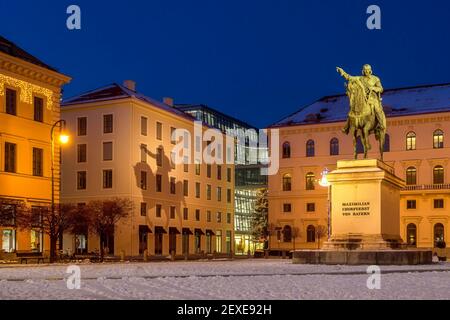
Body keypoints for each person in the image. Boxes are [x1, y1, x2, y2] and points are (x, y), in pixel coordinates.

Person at [337, 64, 386, 134]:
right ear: (363, 71)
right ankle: (347, 127)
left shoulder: (375, 79)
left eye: (368, 70)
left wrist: (373, 88)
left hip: (372, 98)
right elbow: (349, 78)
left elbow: (381, 89)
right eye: (365, 70)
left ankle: (381, 124)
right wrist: (342, 72)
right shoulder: (360, 78)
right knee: (352, 109)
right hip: (362, 98)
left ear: (370, 71)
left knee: (377, 109)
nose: (366, 71)